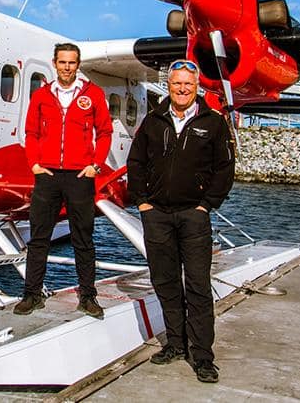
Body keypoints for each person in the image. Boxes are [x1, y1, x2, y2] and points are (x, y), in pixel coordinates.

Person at [126, 59, 235, 383]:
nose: (182, 89)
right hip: (156, 214)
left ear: (197, 86)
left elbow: (224, 168)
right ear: (169, 86)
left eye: (188, 84)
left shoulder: (213, 123)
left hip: (193, 215)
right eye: (177, 84)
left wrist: (206, 205)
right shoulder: (153, 120)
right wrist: (142, 202)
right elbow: (136, 162)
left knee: (198, 285)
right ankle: (175, 343)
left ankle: (202, 356)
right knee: (165, 281)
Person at [16, 42, 113, 318]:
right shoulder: (42, 95)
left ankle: (88, 296)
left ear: (78, 64)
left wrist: (96, 165)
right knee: (38, 238)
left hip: (80, 176)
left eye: (72, 63)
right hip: (47, 176)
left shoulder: (93, 94)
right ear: (54, 63)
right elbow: (31, 132)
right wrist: (34, 164)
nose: (67, 68)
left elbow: (105, 132)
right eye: (62, 62)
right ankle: (31, 294)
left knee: (83, 239)